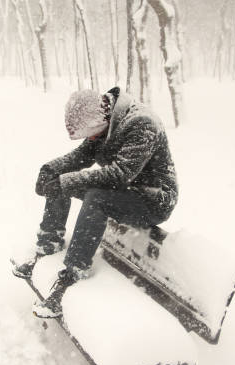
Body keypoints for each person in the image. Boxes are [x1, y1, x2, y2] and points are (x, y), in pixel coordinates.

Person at [11, 87, 178, 318]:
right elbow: (80, 157)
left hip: (153, 200)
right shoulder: (103, 124)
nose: (89, 140)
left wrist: (65, 181)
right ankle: (48, 244)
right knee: (59, 181)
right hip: (122, 191)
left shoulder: (142, 123)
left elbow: (120, 174)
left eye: (90, 134)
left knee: (93, 196)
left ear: (100, 121)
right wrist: (51, 170)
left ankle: (74, 271)